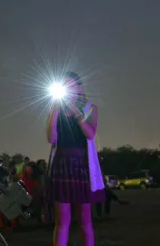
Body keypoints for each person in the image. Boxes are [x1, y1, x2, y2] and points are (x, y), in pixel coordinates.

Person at [45, 72, 103, 246]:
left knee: (85, 219)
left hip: (82, 164)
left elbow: (90, 134)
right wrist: (54, 113)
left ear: (79, 88)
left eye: (71, 86)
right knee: (62, 220)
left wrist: (77, 113)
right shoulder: (55, 110)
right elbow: (51, 138)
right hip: (61, 163)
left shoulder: (90, 108)